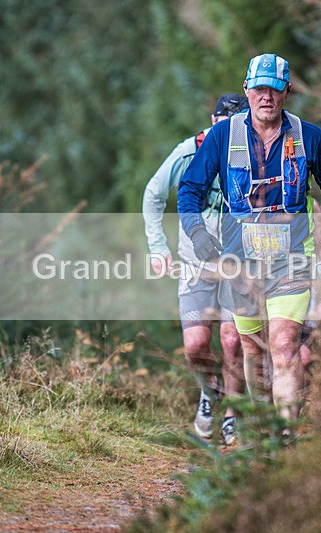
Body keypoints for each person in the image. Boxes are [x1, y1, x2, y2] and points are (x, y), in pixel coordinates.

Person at [177, 53, 321, 424]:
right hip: (240, 265)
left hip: (292, 262)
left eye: (274, 89)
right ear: (247, 90)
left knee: (285, 346)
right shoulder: (223, 136)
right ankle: (261, 432)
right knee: (253, 352)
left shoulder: (310, 137)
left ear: (287, 91)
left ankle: (284, 439)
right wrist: (197, 235)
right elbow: (189, 190)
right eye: (258, 89)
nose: (266, 97)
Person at [142, 94, 250, 446]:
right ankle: (210, 391)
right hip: (194, 263)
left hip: (239, 262)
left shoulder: (254, 153)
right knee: (195, 345)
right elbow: (153, 194)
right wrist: (158, 248)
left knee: (232, 341)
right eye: (223, 127)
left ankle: (233, 415)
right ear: (213, 121)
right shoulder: (189, 152)